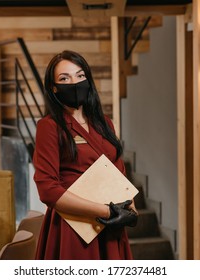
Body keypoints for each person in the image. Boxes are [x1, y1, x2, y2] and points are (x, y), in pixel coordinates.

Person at [33, 50, 138, 260]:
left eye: (80, 76)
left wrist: (131, 212)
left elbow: (119, 176)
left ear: (88, 80)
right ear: (53, 88)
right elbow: (48, 190)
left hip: (111, 227)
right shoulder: (49, 126)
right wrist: (107, 211)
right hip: (74, 227)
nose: (74, 83)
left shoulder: (105, 124)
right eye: (65, 78)